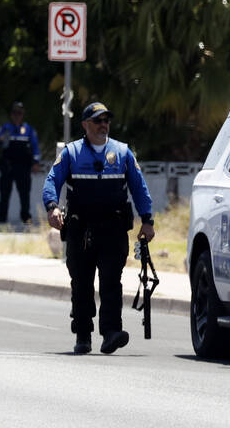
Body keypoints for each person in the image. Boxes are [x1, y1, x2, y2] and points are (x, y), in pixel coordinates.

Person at [42, 102, 155, 355]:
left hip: (113, 229)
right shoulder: (72, 153)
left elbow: (139, 188)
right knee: (81, 283)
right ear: (85, 124)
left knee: (111, 283)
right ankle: (83, 334)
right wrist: (52, 207)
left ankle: (111, 332)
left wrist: (147, 220)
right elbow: (52, 181)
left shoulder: (123, 153)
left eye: (106, 120)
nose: (103, 125)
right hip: (81, 229)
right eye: (97, 120)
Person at [0, 102, 41, 225]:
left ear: (23, 114)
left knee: (24, 193)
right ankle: (1, 217)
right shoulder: (5, 128)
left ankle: (26, 217)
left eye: (19, 113)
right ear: (11, 115)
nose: (17, 116)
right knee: (4, 192)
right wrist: (1, 139)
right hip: (7, 166)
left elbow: (35, 147)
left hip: (23, 166)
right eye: (15, 113)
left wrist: (36, 162)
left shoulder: (29, 129)